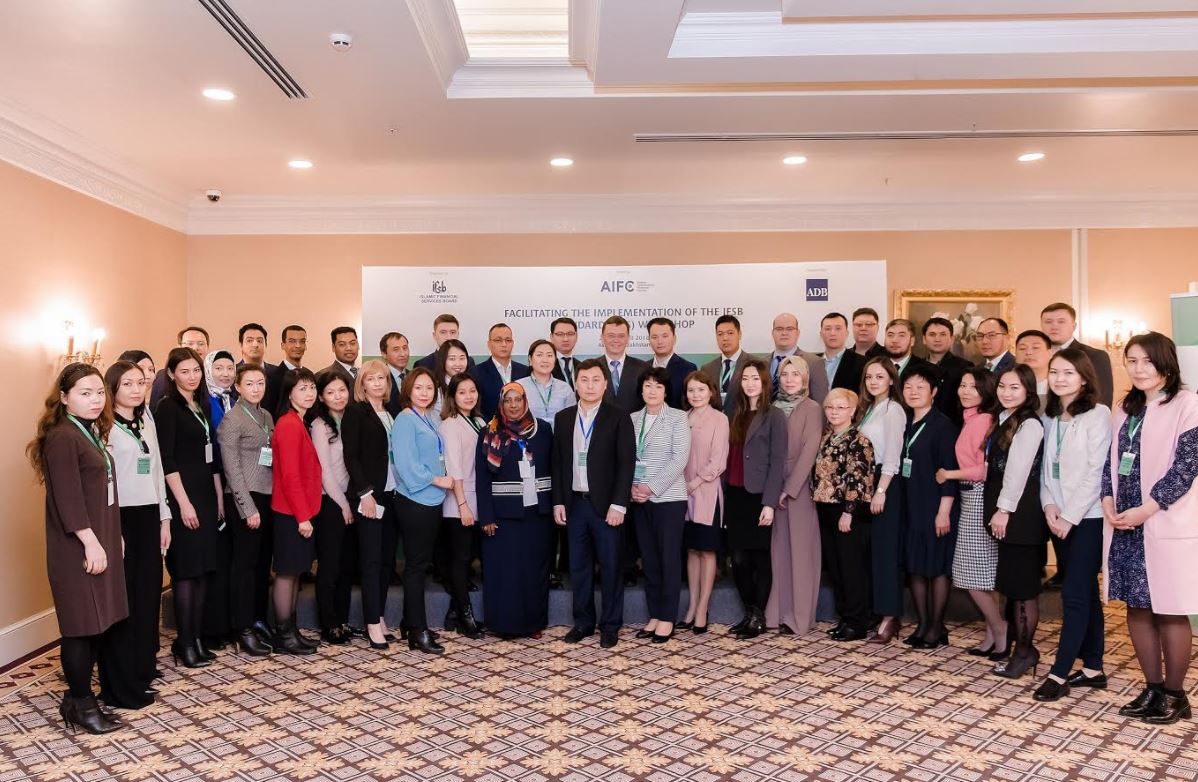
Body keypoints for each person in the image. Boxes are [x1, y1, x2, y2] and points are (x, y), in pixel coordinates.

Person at [27, 363, 128, 733]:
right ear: (64, 397)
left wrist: (114, 535)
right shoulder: (62, 437)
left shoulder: (89, 431)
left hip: (99, 539)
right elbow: (68, 499)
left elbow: (102, 491)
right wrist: (91, 542)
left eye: (99, 392)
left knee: (98, 624)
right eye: (85, 393)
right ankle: (83, 705)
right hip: (78, 547)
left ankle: (77, 700)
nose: (95, 399)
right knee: (80, 627)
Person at [1102, 332, 1197, 724]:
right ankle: (1153, 689)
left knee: (1169, 609)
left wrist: (1147, 509)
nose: (1139, 369)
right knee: (1137, 606)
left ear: (1166, 363)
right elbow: (1109, 461)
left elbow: (1187, 467)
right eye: (1132, 360)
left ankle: (1176, 695)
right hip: (1126, 523)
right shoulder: (1125, 408)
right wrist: (1108, 500)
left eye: (1147, 361)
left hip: (1160, 518)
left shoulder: (1187, 404)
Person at [1033, 348, 1112, 702]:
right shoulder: (1050, 416)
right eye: (1054, 372)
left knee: (1075, 595)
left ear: (1083, 378)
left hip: (1088, 518)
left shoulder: (1098, 414)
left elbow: (1097, 472)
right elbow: (1046, 470)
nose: (1060, 378)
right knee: (1087, 592)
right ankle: (1093, 668)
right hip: (1058, 516)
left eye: (1068, 372)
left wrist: (1069, 516)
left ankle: (1059, 673)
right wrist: (1049, 505)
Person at [552, 359, 636, 649]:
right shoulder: (563, 418)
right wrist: (558, 501)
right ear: (576, 384)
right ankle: (584, 622)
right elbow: (558, 463)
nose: (589, 386)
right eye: (584, 380)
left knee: (611, 567)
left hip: (606, 507)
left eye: (595, 380)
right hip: (575, 504)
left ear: (604, 384)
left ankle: (610, 625)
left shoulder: (618, 417)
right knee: (579, 567)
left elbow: (626, 464)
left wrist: (619, 505)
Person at [104, 361, 172, 702]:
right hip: (121, 517)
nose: (136, 389)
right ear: (112, 388)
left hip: (149, 514)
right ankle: (123, 677)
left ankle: (144, 667)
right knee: (126, 600)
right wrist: (111, 528)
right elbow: (105, 483)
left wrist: (165, 518)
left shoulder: (146, 420)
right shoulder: (105, 428)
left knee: (148, 595)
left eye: (141, 383)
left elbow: (157, 469)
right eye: (127, 383)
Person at [156, 347, 223, 668]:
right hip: (183, 498)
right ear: (171, 374)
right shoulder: (167, 408)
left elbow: (210, 458)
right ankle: (184, 643)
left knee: (203, 571)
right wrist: (183, 504)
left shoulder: (202, 404)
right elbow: (166, 460)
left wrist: (218, 498)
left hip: (205, 496)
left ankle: (195, 638)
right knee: (185, 572)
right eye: (184, 371)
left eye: (196, 370)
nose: (192, 376)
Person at [476, 382, 555, 638]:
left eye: (517, 399)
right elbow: (482, 479)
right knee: (505, 573)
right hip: (503, 516)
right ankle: (504, 625)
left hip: (538, 515)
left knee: (534, 571)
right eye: (507, 400)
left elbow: (555, 467)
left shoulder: (543, 430)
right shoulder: (489, 432)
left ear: (525, 401)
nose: (513, 405)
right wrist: (486, 516)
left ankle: (533, 624)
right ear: (501, 403)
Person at [936, 368, 1004, 659]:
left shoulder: (984, 420)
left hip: (978, 497)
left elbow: (985, 470)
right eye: (962, 385)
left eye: (973, 387)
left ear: (985, 391)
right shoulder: (971, 418)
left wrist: (949, 473)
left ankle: (1001, 629)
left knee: (971, 574)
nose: (965, 391)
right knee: (983, 574)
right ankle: (992, 635)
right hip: (971, 496)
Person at [985, 364, 1048, 679]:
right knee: (1012, 586)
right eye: (1002, 386)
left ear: (1028, 391)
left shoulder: (1030, 424)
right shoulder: (1005, 418)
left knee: (1023, 590)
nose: (1006, 393)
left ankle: (1025, 653)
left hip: (1021, 516)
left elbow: (1018, 472)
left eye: (1015, 387)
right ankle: (1021, 650)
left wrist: (1004, 510)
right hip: (1009, 514)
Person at [392, 367, 455, 654]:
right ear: (408, 390)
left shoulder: (429, 417)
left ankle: (409, 622)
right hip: (415, 500)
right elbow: (406, 465)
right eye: (418, 388)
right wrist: (438, 480)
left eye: (429, 388)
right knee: (416, 567)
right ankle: (419, 631)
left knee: (420, 564)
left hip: (431, 499)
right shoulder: (405, 420)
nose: (424, 393)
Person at [214, 364, 275, 656]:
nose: (255, 388)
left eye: (260, 382)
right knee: (244, 568)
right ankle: (242, 629)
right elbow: (232, 469)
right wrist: (247, 508)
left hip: (266, 496)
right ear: (237, 387)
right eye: (249, 383)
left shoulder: (266, 416)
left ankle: (256, 619)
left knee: (262, 566)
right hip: (244, 499)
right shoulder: (232, 419)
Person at [724, 359, 788, 640]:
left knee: (760, 558)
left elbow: (778, 462)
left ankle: (758, 616)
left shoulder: (774, 415)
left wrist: (769, 504)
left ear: (764, 383)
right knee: (738, 560)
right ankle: (749, 612)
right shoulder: (734, 413)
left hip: (759, 495)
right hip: (735, 493)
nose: (750, 384)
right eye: (745, 378)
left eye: (755, 379)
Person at [898, 364, 959, 649]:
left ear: (933, 392)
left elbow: (949, 470)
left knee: (936, 567)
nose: (913, 392)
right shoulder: (906, 423)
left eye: (921, 387)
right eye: (908, 387)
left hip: (936, 506)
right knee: (916, 567)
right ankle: (922, 624)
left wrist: (944, 511)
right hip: (912, 505)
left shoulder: (943, 426)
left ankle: (936, 627)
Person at [629, 368, 691, 643]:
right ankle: (654, 614)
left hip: (668, 499)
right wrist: (632, 488)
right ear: (641, 390)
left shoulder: (678, 418)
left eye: (658, 386)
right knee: (649, 559)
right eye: (647, 385)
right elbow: (626, 457)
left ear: (666, 391)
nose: (652, 391)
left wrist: (650, 487)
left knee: (668, 559)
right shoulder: (632, 419)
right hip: (638, 499)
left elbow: (680, 459)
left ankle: (667, 617)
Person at [341, 360, 400, 650]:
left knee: (387, 560)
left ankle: (380, 616)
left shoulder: (391, 412)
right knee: (372, 561)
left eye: (382, 378)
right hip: (370, 496)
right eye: (371, 378)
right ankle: (371, 623)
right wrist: (365, 494)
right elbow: (350, 456)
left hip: (392, 494)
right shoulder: (355, 412)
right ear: (362, 384)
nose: (377, 383)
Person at [764, 357, 823, 636]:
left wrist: (789, 489)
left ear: (805, 378)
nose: (789, 379)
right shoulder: (772, 407)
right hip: (774, 487)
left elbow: (810, 451)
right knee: (779, 553)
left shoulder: (812, 408)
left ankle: (800, 618)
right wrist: (773, 489)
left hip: (799, 490)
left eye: (795, 374)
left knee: (801, 554)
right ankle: (777, 613)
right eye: (785, 374)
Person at [813, 388, 876, 641]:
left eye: (840, 407)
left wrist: (849, 512)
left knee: (851, 568)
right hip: (825, 507)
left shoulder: (858, 440)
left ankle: (857, 622)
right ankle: (845, 617)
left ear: (852, 411)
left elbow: (859, 479)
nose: (834, 412)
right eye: (830, 407)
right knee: (837, 567)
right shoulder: (827, 437)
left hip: (848, 511)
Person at [855, 357, 908, 644]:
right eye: (869, 377)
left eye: (879, 376)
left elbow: (892, 455)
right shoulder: (869, 409)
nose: (873, 382)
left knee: (886, 552)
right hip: (866, 482)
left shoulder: (893, 410)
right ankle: (878, 610)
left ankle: (890, 617)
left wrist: (881, 490)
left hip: (883, 482)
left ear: (891, 379)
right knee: (872, 552)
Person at [269, 368, 321, 655]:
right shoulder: (288, 424)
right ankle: (283, 634)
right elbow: (290, 476)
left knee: (296, 572)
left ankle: (291, 630)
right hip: (291, 512)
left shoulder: (300, 421)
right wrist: (302, 516)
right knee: (287, 573)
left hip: (300, 510)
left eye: (311, 387)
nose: (309, 393)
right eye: (302, 388)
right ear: (289, 393)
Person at [308, 370, 358, 645]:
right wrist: (343, 505)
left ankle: (343, 619)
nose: (338, 396)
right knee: (330, 565)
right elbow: (325, 472)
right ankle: (329, 624)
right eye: (330, 392)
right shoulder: (320, 425)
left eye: (342, 390)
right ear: (321, 397)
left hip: (351, 497)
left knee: (347, 564)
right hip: (330, 500)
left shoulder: (351, 418)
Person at [679, 371, 728, 635]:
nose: (695, 395)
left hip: (707, 492)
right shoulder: (681, 418)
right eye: (691, 390)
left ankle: (702, 609)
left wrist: (695, 483)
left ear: (711, 392)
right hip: (682, 494)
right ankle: (691, 606)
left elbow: (718, 461)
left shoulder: (719, 419)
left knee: (707, 551)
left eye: (701, 390)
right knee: (692, 550)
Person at [438, 373, 486, 639]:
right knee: (461, 560)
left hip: (477, 498)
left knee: (468, 557)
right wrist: (463, 505)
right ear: (452, 397)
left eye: (472, 391)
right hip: (459, 501)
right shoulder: (450, 425)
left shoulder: (480, 421)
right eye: (462, 392)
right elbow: (454, 468)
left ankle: (453, 613)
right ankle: (466, 617)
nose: (469, 396)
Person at [201, 348, 236, 649]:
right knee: (215, 558)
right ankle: (211, 628)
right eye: (219, 368)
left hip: (237, 482)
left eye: (230, 368)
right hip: (213, 482)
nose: (225, 373)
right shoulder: (204, 402)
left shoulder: (235, 400)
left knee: (231, 558)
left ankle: (228, 623)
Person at [1040, 302, 1114, 407]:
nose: (1054, 326)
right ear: (1041, 326)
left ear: (1074, 326)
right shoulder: (1033, 357)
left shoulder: (1095, 356)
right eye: (1048, 322)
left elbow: (1102, 399)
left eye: (1061, 321)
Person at [767, 312, 830, 403]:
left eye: (789, 329)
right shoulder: (761, 363)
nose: (784, 333)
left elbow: (820, 402)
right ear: (772, 333)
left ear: (798, 333)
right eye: (779, 329)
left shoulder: (814, 363)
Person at [475, 323, 531, 420]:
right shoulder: (476, 372)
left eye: (508, 340)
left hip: (522, 427)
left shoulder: (525, 371)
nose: (504, 344)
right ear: (489, 344)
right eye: (498, 340)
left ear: (513, 343)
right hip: (490, 426)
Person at [701, 314, 753, 419]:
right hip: (714, 424)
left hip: (744, 424)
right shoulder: (707, 369)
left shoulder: (754, 364)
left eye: (730, 333)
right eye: (720, 334)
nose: (725, 338)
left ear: (740, 334)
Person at [519, 339, 576, 431]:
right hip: (528, 437)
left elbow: (571, 419)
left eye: (549, 355)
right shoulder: (519, 387)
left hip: (559, 437)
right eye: (539, 355)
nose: (545, 360)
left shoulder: (565, 388)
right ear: (530, 359)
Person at [922, 317, 970, 426]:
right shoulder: (916, 367)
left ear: (952, 339)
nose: (937, 339)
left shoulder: (964, 367)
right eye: (932, 334)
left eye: (943, 334)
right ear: (924, 339)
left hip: (953, 427)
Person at [600, 316, 648, 414]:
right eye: (611, 336)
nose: (616, 340)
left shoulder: (644, 369)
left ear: (628, 339)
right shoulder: (591, 368)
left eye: (621, 336)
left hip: (634, 423)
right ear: (602, 338)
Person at [647, 317, 697, 409]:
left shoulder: (688, 368)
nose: (660, 341)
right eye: (654, 337)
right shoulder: (642, 368)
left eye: (665, 336)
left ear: (674, 338)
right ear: (649, 340)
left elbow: (690, 404)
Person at [266, 325, 308, 420]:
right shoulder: (272, 378)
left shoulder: (310, 375)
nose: (298, 345)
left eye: (302, 341)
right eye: (292, 341)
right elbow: (268, 414)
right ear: (283, 345)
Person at [237, 324, 278, 417]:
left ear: (265, 345)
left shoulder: (278, 373)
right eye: (249, 340)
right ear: (241, 345)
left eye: (259, 341)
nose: (255, 344)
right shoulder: (232, 374)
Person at [820, 312, 866, 392]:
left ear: (847, 333)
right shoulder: (811, 361)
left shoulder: (862, 363)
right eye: (828, 329)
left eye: (838, 328)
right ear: (821, 334)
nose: (832, 333)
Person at [431, 338, 471, 420]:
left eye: (462, 358)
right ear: (443, 360)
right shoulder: (436, 390)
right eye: (452, 359)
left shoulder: (471, 384)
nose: (458, 364)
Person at [1014, 329, 1053, 414]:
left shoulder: (1059, 386)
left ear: (1050, 353)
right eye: (1022, 348)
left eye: (1036, 348)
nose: (1028, 352)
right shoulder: (1007, 386)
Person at [380, 331, 411, 416]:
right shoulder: (379, 378)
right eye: (396, 349)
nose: (402, 354)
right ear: (384, 354)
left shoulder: (414, 376)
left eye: (405, 348)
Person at [549, 317, 580, 390]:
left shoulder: (581, 366)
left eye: (570, 334)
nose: (565, 339)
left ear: (576, 336)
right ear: (551, 337)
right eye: (560, 334)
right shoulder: (545, 366)